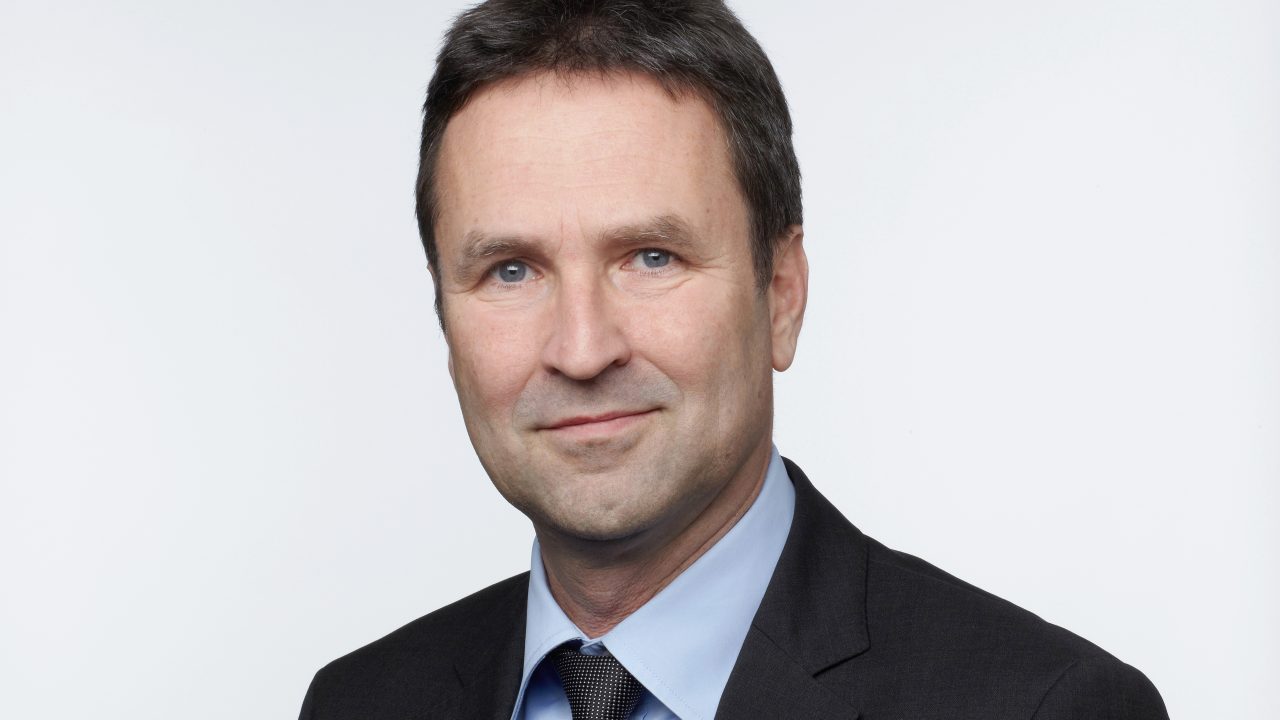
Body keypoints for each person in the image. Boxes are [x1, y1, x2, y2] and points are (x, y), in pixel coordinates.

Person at [299, 1, 1169, 718]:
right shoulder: (358, 703)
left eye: (651, 258)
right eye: (511, 270)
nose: (582, 349)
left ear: (781, 294)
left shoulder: (1045, 706)